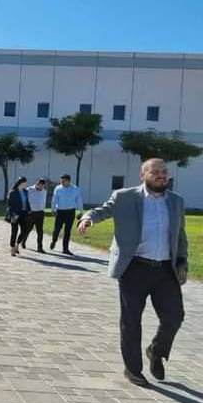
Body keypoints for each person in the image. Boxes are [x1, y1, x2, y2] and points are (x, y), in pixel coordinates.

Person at [78, 158, 188, 387]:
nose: (161, 175)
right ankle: (133, 369)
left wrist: (182, 262)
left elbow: (180, 235)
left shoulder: (176, 201)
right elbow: (102, 210)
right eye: (155, 172)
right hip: (134, 268)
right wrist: (88, 218)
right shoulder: (125, 196)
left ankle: (156, 351)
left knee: (174, 316)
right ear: (143, 175)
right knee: (131, 321)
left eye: (164, 172)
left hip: (165, 270)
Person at [50, 174, 82, 255]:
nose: (62, 182)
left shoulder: (75, 189)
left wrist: (80, 211)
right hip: (60, 212)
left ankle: (65, 248)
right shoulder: (58, 188)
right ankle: (54, 240)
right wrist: (53, 209)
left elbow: (79, 200)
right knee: (57, 229)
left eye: (63, 181)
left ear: (69, 181)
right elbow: (54, 199)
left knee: (67, 231)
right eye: (61, 181)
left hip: (70, 212)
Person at [22, 178, 48, 253]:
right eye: (40, 185)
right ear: (37, 184)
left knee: (40, 231)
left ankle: (40, 247)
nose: (41, 187)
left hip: (40, 213)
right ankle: (23, 241)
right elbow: (24, 198)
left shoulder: (44, 191)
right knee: (28, 229)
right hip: (31, 213)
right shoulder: (29, 189)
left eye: (42, 186)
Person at [6, 177, 30, 256]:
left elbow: (27, 202)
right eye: (25, 183)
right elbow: (10, 205)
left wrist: (29, 210)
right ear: (21, 183)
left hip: (24, 214)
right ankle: (12, 248)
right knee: (14, 232)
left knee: (24, 231)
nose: (26, 184)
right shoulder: (13, 192)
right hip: (15, 214)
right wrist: (13, 215)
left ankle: (17, 243)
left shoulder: (26, 192)